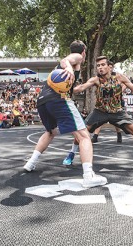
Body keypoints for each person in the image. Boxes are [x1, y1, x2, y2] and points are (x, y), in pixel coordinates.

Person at [23, 40, 107, 188]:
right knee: (84, 136)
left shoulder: (69, 71)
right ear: (83, 52)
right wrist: (68, 66)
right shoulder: (76, 57)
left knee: (50, 132)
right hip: (58, 99)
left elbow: (72, 89)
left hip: (43, 99)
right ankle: (88, 176)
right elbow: (65, 60)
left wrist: (82, 85)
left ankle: (31, 162)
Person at [63, 56, 133, 172]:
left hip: (117, 111)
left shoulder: (119, 77)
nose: (100, 68)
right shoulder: (96, 80)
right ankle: (71, 154)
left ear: (109, 67)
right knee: (82, 132)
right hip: (100, 111)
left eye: (103, 65)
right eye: (98, 66)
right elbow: (81, 87)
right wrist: (67, 87)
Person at [90, 60, 123, 143]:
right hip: (103, 102)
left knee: (116, 121)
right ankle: (95, 136)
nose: (110, 69)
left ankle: (119, 133)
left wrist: (118, 91)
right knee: (99, 119)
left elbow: (124, 85)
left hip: (115, 102)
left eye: (111, 67)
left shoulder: (117, 77)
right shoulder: (100, 77)